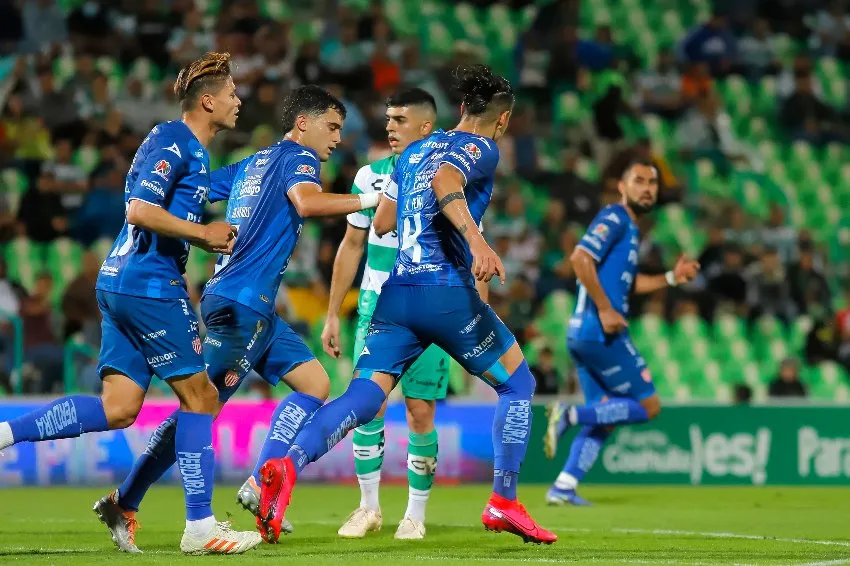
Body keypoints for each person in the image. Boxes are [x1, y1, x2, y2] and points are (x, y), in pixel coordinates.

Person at [255, 64, 557, 546]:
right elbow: (446, 181)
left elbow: (382, 223)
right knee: (519, 383)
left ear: (460, 108)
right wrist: (476, 241)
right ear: (501, 121)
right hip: (446, 293)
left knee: (362, 398)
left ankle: (285, 466)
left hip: (395, 296)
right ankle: (504, 501)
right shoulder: (481, 146)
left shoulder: (413, 151)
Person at [95, 85, 381, 547]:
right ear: (303, 124)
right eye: (332, 127)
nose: (336, 139)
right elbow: (307, 202)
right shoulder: (300, 158)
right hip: (243, 305)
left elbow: (200, 188)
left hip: (251, 305)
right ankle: (126, 502)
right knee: (198, 406)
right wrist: (371, 201)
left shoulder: (256, 161)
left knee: (315, 384)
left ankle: (259, 484)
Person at [0, 52, 262, 554]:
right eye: (231, 93)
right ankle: (201, 528)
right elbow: (139, 210)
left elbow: (205, 189)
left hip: (121, 283)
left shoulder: (192, 152)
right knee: (201, 397)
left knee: (119, 408)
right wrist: (202, 234)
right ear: (208, 101)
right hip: (148, 286)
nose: (238, 100)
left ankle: (6, 434)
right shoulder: (173, 140)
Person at [322, 87, 477, 540]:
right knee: (368, 406)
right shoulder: (369, 176)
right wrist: (333, 313)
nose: (389, 126)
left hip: (430, 303)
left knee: (419, 410)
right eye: (387, 118)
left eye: (399, 119)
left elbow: (467, 247)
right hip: (375, 303)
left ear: (426, 126)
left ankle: (415, 515)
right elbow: (352, 245)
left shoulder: (447, 180)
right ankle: (368, 507)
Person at [542, 160, 700, 506]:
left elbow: (628, 285)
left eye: (653, 182)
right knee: (649, 406)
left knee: (607, 414)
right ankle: (569, 414)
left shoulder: (629, 228)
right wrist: (605, 308)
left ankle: (564, 486)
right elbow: (579, 258)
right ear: (622, 187)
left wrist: (671, 279)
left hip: (584, 334)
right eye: (639, 181)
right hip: (600, 331)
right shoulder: (614, 217)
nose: (647, 188)